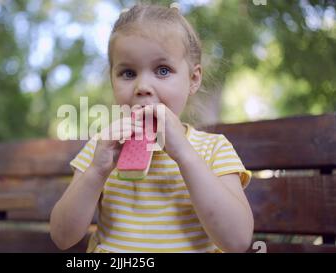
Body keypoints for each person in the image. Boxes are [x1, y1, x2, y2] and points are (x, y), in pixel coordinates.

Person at [50, 2, 254, 253]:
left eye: (163, 70)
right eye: (127, 73)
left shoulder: (213, 149)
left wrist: (185, 155)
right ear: (112, 79)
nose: (143, 86)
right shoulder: (101, 148)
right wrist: (96, 172)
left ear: (193, 79)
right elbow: (62, 237)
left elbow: (238, 241)